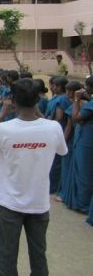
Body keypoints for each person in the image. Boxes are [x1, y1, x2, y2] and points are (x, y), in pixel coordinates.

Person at [0, 78, 67, 276]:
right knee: (39, 256)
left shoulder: (3, 129)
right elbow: (62, 150)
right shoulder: (53, 128)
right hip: (39, 203)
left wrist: (1, 113)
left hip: (9, 203)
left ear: (13, 101)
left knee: (7, 256)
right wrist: (40, 115)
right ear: (38, 99)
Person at [67, 76, 93, 215]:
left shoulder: (90, 105)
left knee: (84, 170)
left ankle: (83, 203)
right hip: (87, 137)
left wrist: (77, 100)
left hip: (88, 140)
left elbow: (76, 118)